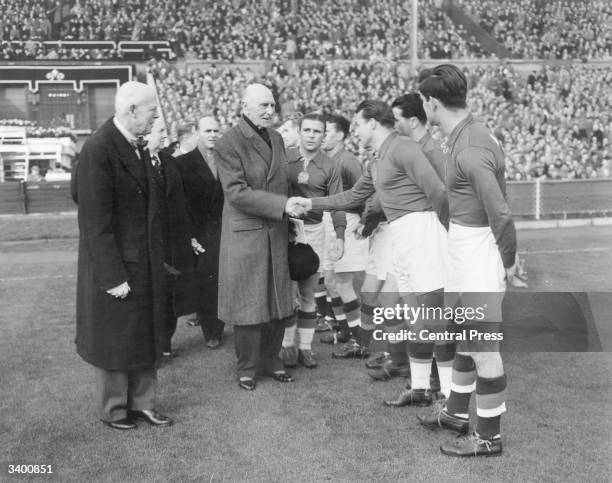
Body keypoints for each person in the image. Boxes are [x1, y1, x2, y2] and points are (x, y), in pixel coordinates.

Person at [290, 101, 449, 404]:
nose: (356, 130)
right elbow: (353, 196)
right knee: (410, 311)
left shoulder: (404, 148)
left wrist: (444, 234)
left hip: (420, 233)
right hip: (401, 237)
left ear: (373, 123)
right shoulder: (377, 158)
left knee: (427, 313)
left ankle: (444, 392)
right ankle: (419, 387)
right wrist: (311, 204)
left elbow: (438, 192)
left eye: (359, 123)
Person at [416, 64, 517, 457]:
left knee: (483, 346)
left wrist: (508, 262)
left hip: (478, 250)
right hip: (463, 244)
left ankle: (489, 437)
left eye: (423, 101)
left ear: (432, 103)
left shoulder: (472, 147)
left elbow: (501, 214)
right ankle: (457, 413)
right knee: (462, 333)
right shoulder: (459, 135)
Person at [74, 81, 174, 430]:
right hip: (118, 267)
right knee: (117, 339)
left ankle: (143, 404)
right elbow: (93, 222)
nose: (156, 117)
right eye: (152, 111)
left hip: (144, 261)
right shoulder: (99, 149)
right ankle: (114, 409)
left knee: (145, 334)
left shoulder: (137, 146)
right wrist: (112, 277)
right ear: (132, 110)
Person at [214, 83, 297, 391]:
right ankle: (247, 367)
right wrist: (283, 205)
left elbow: (283, 183)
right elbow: (236, 193)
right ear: (244, 107)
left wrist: (293, 209)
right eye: (262, 105)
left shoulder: (276, 137)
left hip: (276, 228)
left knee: (277, 300)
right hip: (247, 233)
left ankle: (272, 360)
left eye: (271, 105)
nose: (268, 110)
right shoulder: (228, 142)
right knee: (249, 305)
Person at [280, 112, 346, 370]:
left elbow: (339, 203)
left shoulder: (330, 166)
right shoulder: (285, 158)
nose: (311, 135)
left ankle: (305, 348)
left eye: (317, 131)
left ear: (323, 135)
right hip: (285, 230)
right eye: (307, 130)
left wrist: (340, 235)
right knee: (286, 292)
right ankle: (287, 344)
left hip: (314, 230)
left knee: (307, 291)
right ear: (299, 131)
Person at [319, 114, 370, 359]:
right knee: (330, 280)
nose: (321, 135)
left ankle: (359, 341)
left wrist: (362, 222)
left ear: (339, 135)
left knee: (342, 283)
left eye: (326, 131)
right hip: (331, 221)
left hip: (347, 222)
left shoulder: (348, 161)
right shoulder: (328, 160)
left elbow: (364, 195)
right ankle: (345, 331)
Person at [176, 116, 225, 349]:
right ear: (197, 132)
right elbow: (180, 204)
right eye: (208, 130)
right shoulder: (183, 163)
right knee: (206, 281)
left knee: (225, 280)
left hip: (227, 228)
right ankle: (212, 330)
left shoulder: (228, 160)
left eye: (216, 130)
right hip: (201, 232)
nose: (213, 134)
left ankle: (222, 324)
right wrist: (189, 235)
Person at [146, 117, 193, 357]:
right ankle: (153, 347)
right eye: (160, 131)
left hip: (173, 241)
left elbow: (180, 200)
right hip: (149, 243)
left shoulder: (168, 161)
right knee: (152, 298)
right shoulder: (137, 162)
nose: (165, 135)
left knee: (171, 297)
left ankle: (164, 344)